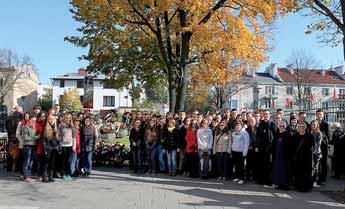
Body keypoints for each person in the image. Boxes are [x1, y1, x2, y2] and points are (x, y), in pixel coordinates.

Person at [256, 110, 276, 186]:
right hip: (261, 147)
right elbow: (258, 136)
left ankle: (268, 181)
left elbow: (275, 136)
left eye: (267, 114)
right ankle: (261, 180)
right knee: (261, 164)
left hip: (269, 148)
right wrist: (257, 146)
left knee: (269, 164)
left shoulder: (272, 124)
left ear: (269, 115)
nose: (266, 115)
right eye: (264, 114)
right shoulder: (260, 124)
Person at [293, 122, 314, 192]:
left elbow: (312, 147)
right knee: (298, 172)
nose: (301, 128)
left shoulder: (310, 136)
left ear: (305, 127)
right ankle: (298, 186)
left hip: (307, 157)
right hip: (298, 157)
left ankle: (306, 187)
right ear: (298, 128)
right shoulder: (295, 135)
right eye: (300, 126)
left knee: (306, 173)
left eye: (303, 126)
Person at [272, 121, 290, 190]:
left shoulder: (287, 134)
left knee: (284, 171)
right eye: (280, 126)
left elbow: (289, 146)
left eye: (283, 126)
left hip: (284, 156)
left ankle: (284, 185)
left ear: (285, 127)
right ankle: (278, 184)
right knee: (277, 170)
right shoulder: (276, 134)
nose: (281, 127)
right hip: (277, 155)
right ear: (278, 127)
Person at [21, 114, 39, 183]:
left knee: (31, 161)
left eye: (35, 120)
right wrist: (36, 137)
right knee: (27, 161)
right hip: (27, 146)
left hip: (33, 146)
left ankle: (28, 175)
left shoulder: (34, 127)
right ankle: (26, 176)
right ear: (29, 120)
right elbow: (25, 138)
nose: (34, 121)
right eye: (33, 120)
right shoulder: (26, 127)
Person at [42, 114, 60, 182]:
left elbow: (58, 139)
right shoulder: (45, 128)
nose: (52, 120)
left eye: (53, 119)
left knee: (52, 163)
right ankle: (44, 176)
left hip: (54, 148)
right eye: (50, 119)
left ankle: (51, 176)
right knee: (46, 163)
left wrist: (58, 145)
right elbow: (43, 140)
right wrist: (45, 149)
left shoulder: (56, 128)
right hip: (48, 148)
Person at [59, 113, 76, 180]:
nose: (68, 119)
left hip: (70, 145)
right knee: (63, 160)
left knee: (69, 161)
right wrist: (60, 145)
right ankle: (63, 174)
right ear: (64, 118)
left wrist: (74, 146)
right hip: (63, 145)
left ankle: (68, 173)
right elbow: (59, 136)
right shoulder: (61, 126)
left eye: (69, 117)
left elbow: (74, 137)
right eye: (66, 117)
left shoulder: (72, 127)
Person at [5, 106, 23, 172]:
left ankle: (9, 167)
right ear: (19, 110)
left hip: (10, 137)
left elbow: (6, 127)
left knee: (10, 152)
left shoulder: (9, 117)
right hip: (17, 137)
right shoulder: (20, 117)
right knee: (18, 152)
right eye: (21, 110)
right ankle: (17, 168)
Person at [315, 109, 329, 185]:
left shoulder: (326, 124)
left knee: (323, 163)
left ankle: (323, 179)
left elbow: (328, 137)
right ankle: (316, 178)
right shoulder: (314, 123)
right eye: (318, 114)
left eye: (320, 114)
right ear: (316, 115)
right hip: (316, 146)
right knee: (317, 163)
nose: (319, 116)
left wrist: (321, 135)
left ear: (323, 115)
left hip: (323, 146)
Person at [35, 112, 47, 182]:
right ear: (39, 117)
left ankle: (44, 174)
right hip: (39, 144)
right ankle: (39, 175)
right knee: (39, 160)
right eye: (42, 116)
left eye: (44, 116)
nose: (43, 117)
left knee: (45, 161)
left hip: (46, 144)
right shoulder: (37, 124)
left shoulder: (46, 124)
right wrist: (38, 135)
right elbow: (35, 133)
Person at [310, 120, 322, 188]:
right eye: (312, 125)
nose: (313, 126)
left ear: (317, 125)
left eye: (314, 125)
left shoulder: (319, 133)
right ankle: (311, 180)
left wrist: (314, 151)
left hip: (316, 153)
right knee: (312, 167)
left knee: (315, 167)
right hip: (311, 153)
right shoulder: (311, 132)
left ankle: (315, 181)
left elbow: (318, 144)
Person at [245, 117, 257, 181]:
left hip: (256, 149)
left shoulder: (258, 128)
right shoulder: (247, 130)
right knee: (248, 163)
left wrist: (254, 146)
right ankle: (248, 176)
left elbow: (259, 139)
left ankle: (254, 176)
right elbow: (246, 139)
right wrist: (249, 146)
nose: (251, 122)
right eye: (250, 121)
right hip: (249, 149)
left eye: (253, 121)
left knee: (255, 164)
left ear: (255, 121)